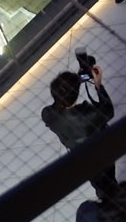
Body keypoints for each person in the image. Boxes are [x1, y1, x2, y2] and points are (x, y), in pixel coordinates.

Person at [42, 51, 118, 197]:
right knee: (108, 181)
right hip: (101, 155)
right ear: (76, 95)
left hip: (80, 158)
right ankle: (113, 199)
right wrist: (98, 85)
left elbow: (64, 98)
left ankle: (103, 194)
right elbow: (109, 111)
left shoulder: (47, 114)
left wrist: (76, 79)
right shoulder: (89, 115)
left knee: (97, 182)